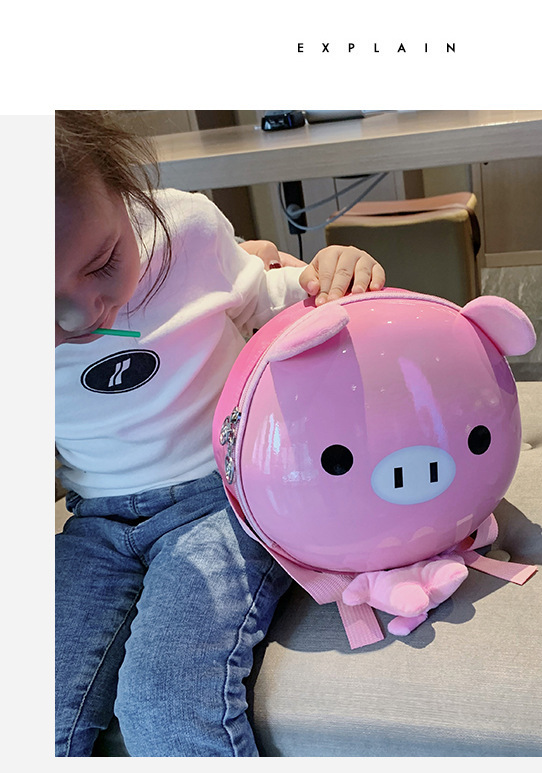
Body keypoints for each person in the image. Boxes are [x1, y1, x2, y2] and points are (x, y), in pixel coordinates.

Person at [54, 110, 386, 757]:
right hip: (93, 522)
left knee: (165, 707)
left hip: (221, 497)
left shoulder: (187, 231)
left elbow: (275, 301)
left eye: (102, 262)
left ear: (125, 192)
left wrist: (333, 273)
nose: (80, 314)